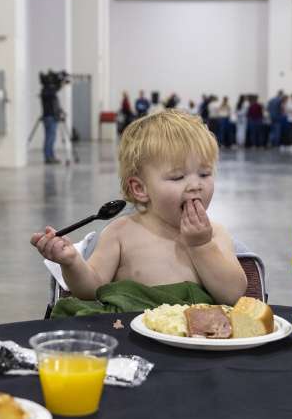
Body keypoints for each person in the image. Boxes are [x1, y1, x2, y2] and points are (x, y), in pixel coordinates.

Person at [31, 110, 247, 315]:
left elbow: (233, 296)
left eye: (204, 173)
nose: (195, 185)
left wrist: (201, 246)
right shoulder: (121, 232)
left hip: (194, 340)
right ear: (140, 189)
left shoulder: (215, 235)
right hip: (129, 334)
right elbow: (90, 290)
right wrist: (72, 262)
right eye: (177, 177)